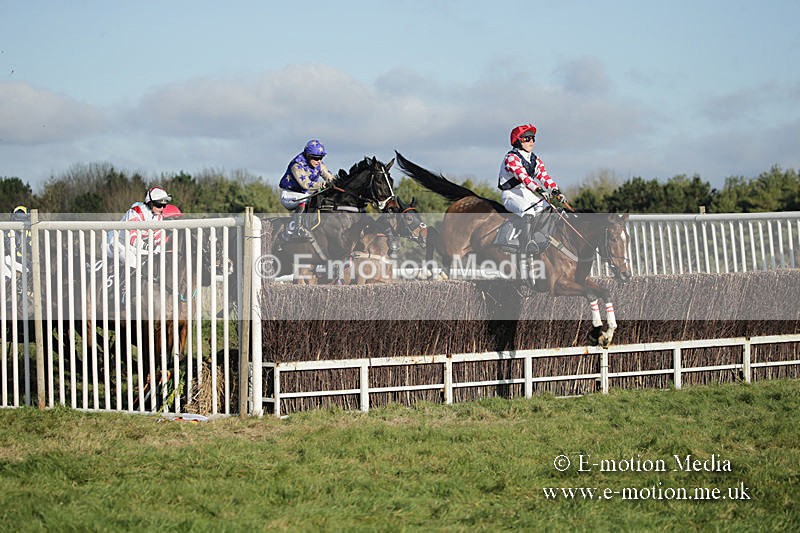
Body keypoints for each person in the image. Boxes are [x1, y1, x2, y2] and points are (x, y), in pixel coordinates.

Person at [496, 123, 568, 254]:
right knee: (528, 212)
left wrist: (555, 191)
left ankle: (542, 238)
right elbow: (523, 176)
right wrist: (539, 190)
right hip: (511, 195)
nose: (532, 142)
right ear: (518, 141)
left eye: (533, 139)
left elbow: (543, 176)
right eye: (527, 139)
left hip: (527, 193)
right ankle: (527, 243)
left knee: (549, 209)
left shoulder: (535, 159)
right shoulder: (511, 158)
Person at [278, 139, 336, 239]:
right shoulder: (297, 165)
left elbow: (330, 177)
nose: (318, 161)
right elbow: (306, 184)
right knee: (308, 199)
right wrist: (323, 185)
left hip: (303, 194)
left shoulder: (319, 164)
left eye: (321, 158)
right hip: (289, 195)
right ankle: (297, 228)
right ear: (308, 156)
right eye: (315, 158)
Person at [107, 186, 172, 267]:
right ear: (150, 203)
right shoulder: (136, 212)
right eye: (159, 205)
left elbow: (158, 238)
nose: (162, 208)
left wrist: (165, 247)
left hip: (132, 246)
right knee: (133, 263)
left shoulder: (158, 216)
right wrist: (149, 247)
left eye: (164, 205)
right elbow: (132, 238)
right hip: (115, 242)